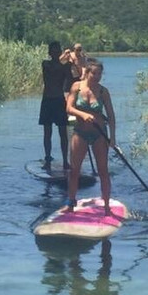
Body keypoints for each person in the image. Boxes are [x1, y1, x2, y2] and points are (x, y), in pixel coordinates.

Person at [64, 57, 116, 214]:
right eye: (95, 74)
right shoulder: (76, 87)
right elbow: (69, 108)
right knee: (74, 171)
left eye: (100, 74)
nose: (98, 77)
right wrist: (83, 114)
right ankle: (71, 203)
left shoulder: (103, 91)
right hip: (80, 133)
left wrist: (112, 138)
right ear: (87, 72)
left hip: (99, 135)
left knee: (103, 171)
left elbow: (111, 116)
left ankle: (107, 206)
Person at [39, 42, 71, 169]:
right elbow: (54, 70)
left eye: (58, 50)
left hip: (59, 100)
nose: (56, 53)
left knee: (63, 132)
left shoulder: (65, 67)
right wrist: (67, 63)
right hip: (47, 100)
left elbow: (71, 79)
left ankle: (65, 161)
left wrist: (70, 64)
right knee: (47, 132)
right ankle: (47, 159)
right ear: (50, 53)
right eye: (54, 50)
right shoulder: (45, 64)